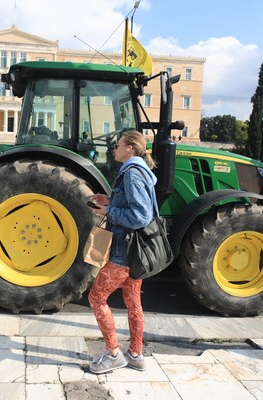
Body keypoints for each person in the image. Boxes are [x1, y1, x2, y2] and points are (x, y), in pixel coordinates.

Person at [87, 130, 156, 374]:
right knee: (132, 301)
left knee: (96, 298)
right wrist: (109, 200)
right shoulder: (139, 171)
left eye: (118, 145)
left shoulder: (132, 174)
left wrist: (108, 213)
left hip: (123, 252)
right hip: (135, 252)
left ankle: (114, 354)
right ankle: (136, 354)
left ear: (130, 148)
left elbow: (140, 215)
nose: (114, 149)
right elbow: (132, 204)